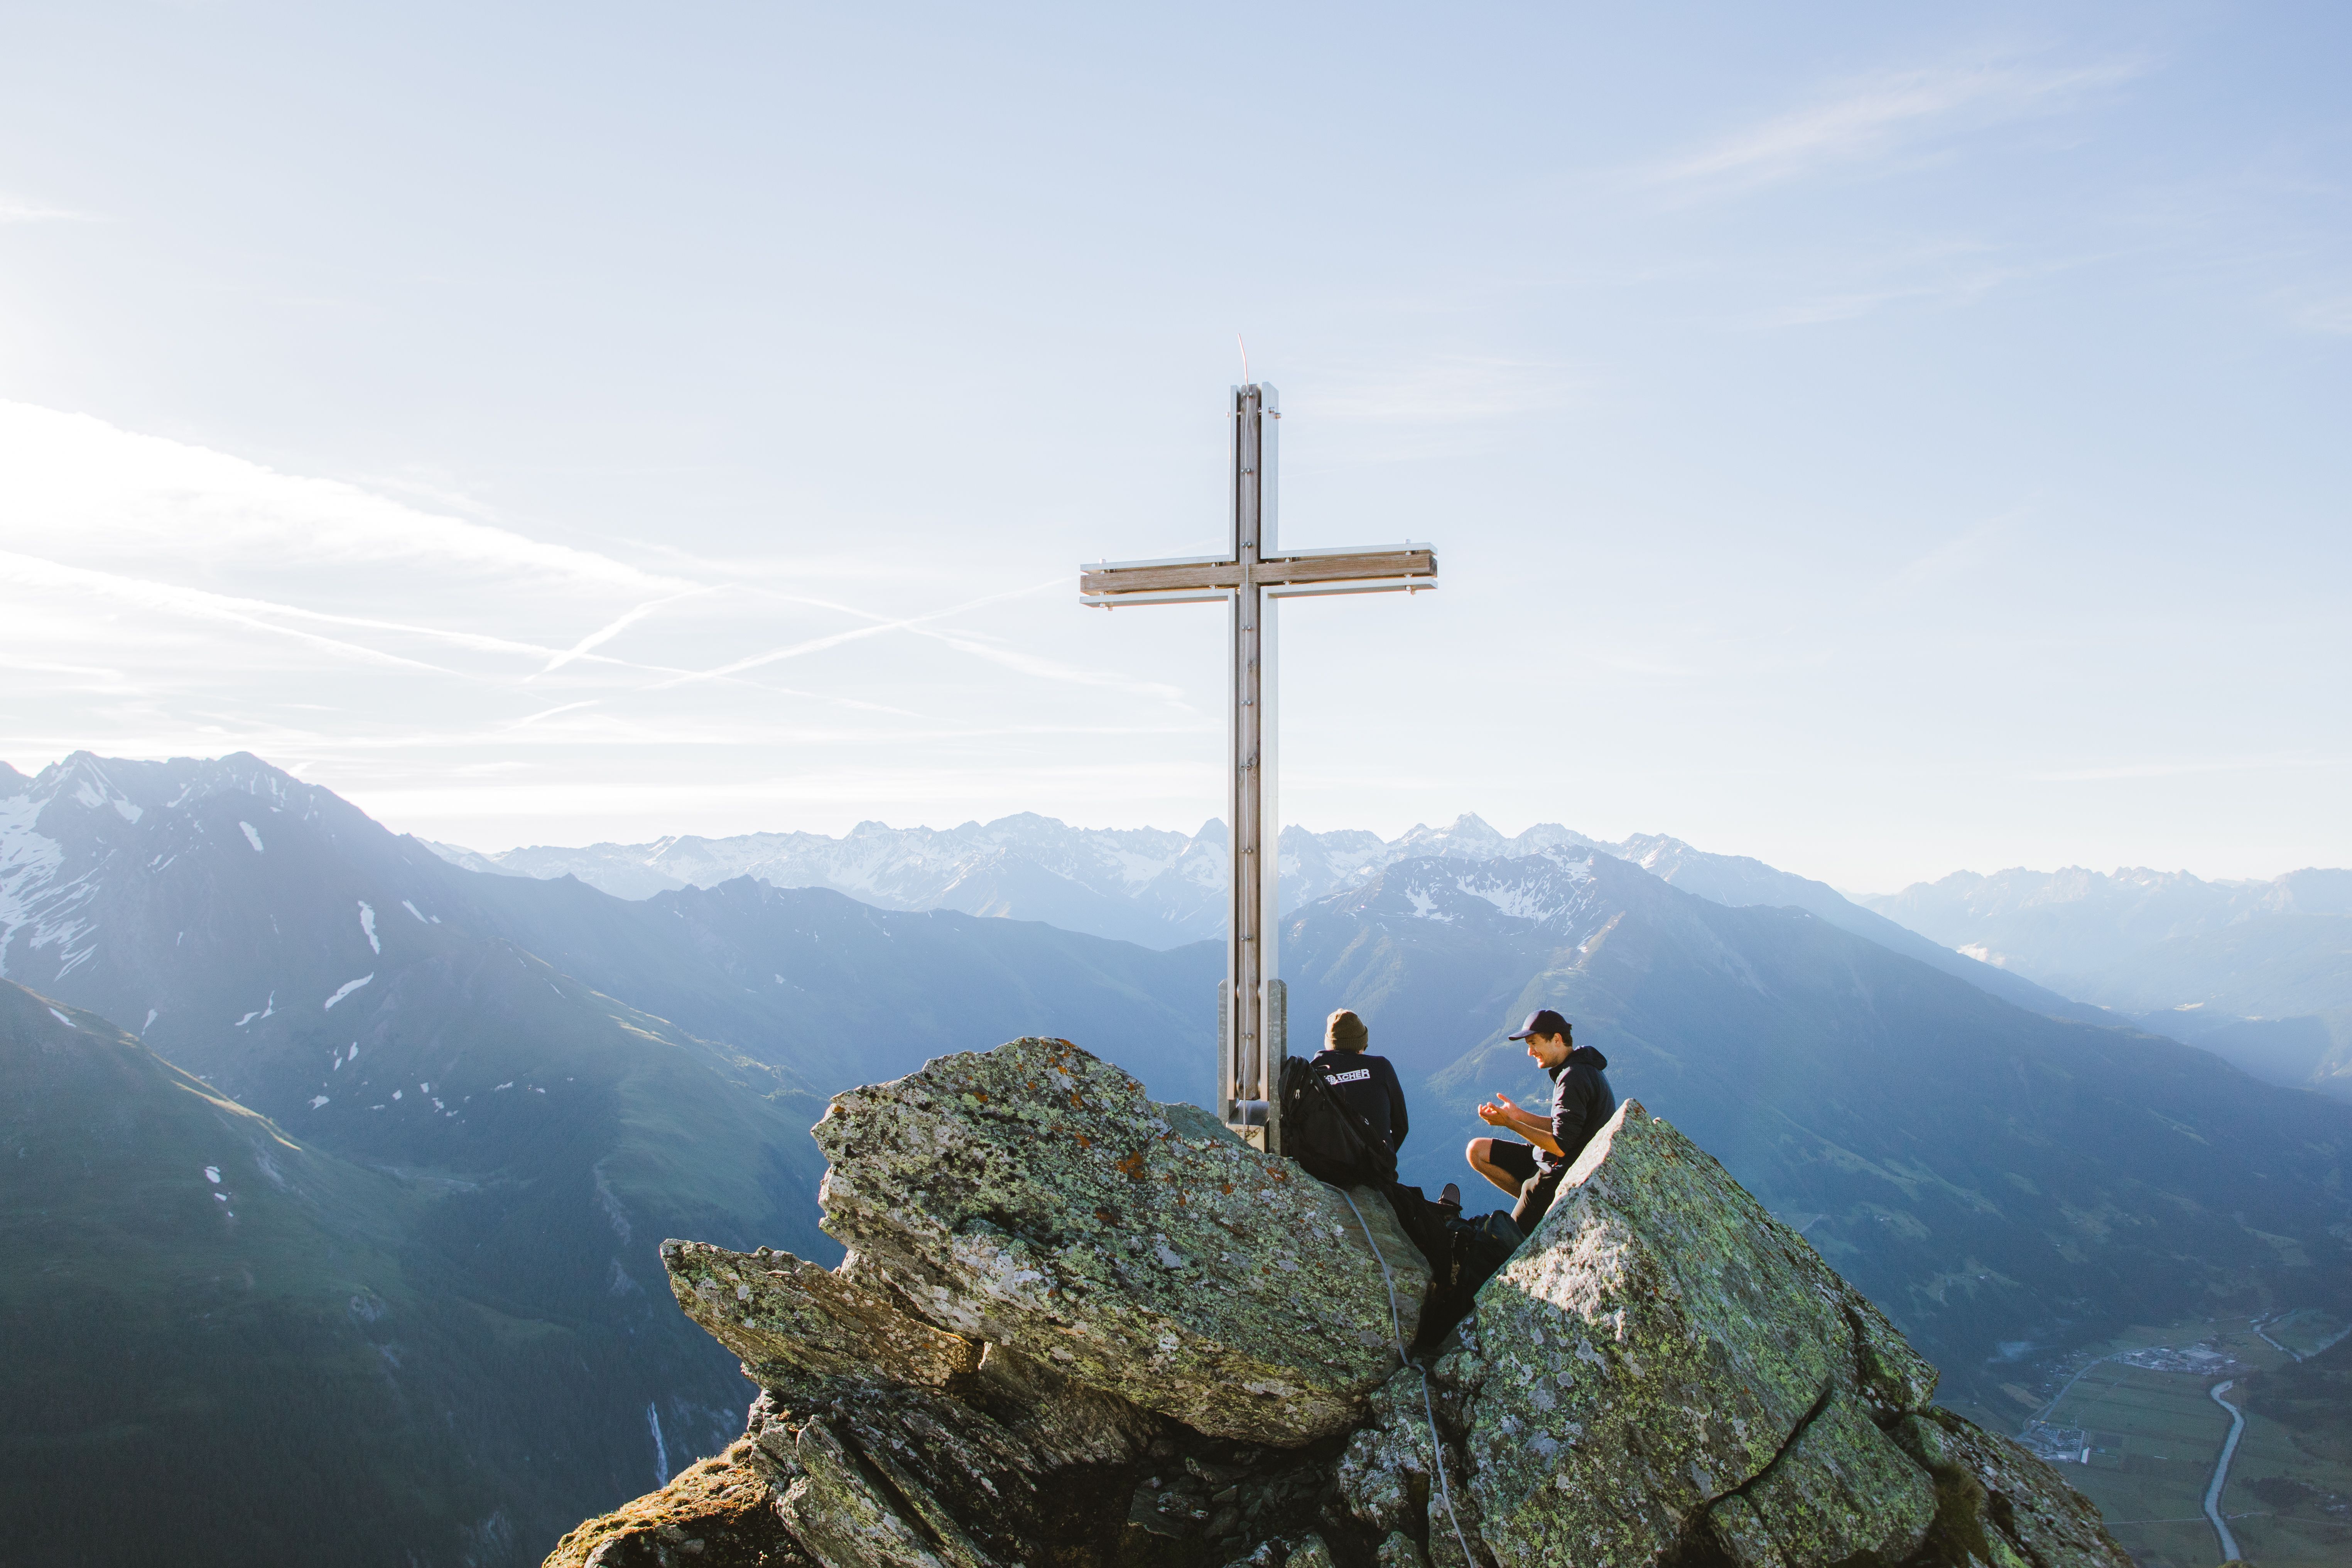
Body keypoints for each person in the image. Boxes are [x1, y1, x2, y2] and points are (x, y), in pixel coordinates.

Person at [1464, 1008, 1614, 1233]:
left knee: (1506, 1241)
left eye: (1534, 1043)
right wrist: (1519, 1116)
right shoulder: (1579, 1069)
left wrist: (1510, 1124)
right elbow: (1565, 1128)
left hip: (1558, 1172)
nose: (1530, 1052)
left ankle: (1535, 1212)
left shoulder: (1573, 1078)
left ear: (1556, 1040)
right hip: (1547, 1159)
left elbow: (1561, 1146)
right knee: (1477, 1151)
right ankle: (1530, 1206)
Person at [1307, 1008, 1409, 1156]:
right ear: (1360, 1045)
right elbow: (1401, 1126)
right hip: (1376, 1170)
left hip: (1326, 1169)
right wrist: (1383, 1158)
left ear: (1329, 1044)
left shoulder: (1314, 1072)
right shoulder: (1381, 1067)